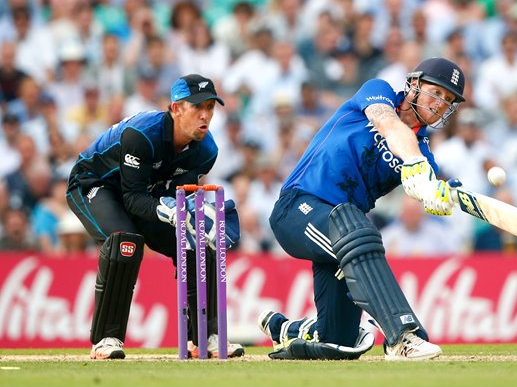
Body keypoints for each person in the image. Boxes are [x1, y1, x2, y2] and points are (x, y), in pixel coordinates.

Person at [259, 57, 466, 360]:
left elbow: (426, 189)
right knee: (360, 230)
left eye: (448, 101)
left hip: (343, 234)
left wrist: (440, 194)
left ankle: (291, 330)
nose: (439, 104)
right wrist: (417, 165)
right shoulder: (379, 92)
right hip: (297, 208)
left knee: (338, 342)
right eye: (436, 92)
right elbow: (388, 124)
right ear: (414, 85)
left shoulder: (423, 153)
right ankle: (402, 336)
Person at [66, 74, 243, 360]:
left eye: (210, 107)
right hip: (94, 184)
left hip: (143, 194)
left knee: (198, 239)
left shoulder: (206, 150)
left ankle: (203, 337)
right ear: (175, 109)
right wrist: (169, 208)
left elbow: (173, 195)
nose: (205, 115)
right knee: (126, 242)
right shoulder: (142, 135)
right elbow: (132, 198)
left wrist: (186, 213)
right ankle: (106, 340)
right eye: (197, 106)